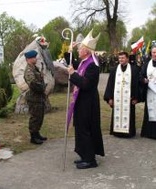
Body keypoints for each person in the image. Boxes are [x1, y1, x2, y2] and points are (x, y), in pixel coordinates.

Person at [67, 29, 105, 169]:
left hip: (88, 103)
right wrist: (70, 50)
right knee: (80, 128)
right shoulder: (84, 62)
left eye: (80, 49)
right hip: (81, 101)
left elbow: (85, 84)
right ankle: (83, 154)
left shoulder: (93, 66)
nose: (78, 51)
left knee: (86, 129)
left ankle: (90, 160)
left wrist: (73, 74)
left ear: (87, 51)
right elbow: (71, 63)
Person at [104, 51, 139, 138]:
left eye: (123, 58)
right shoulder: (114, 70)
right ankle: (117, 132)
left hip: (129, 99)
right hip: (117, 98)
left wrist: (136, 97)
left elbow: (136, 85)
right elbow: (110, 85)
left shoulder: (134, 70)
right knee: (117, 113)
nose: (121, 60)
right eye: (119, 58)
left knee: (129, 115)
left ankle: (128, 132)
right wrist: (110, 98)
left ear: (127, 58)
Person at [24, 49, 47, 145]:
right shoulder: (29, 70)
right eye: (34, 57)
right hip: (34, 97)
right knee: (35, 117)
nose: (36, 58)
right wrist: (42, 87)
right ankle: (33, 137)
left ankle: (37, 133)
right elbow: (33, 83)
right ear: (29, 59)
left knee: (40, 116)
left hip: (39, 97)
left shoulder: (34, 68)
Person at [139, 46, 156, 139]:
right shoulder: (146, 64)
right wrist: (143, 80)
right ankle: (149, 133)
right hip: (150, 91)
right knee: (150, 112)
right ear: (151, 53)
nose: (155, 54)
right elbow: (140, 75)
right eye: (153, 52)